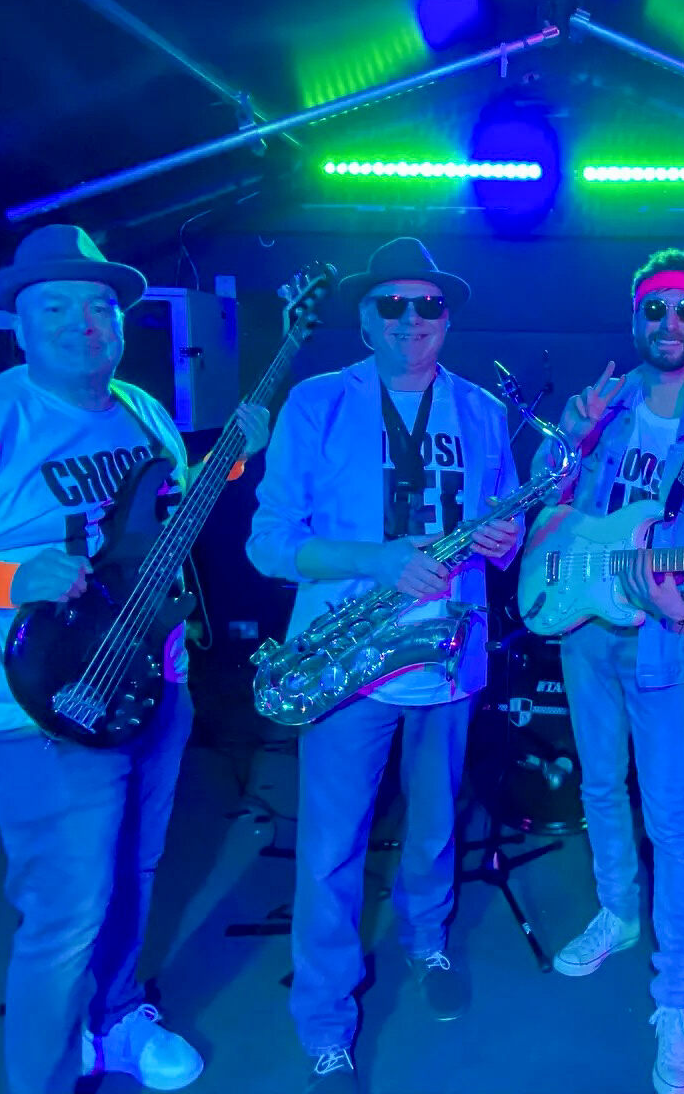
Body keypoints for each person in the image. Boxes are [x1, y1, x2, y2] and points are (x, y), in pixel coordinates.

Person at [0, 224, 269, 1094]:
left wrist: (229, 462)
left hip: (150, 683)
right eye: (56, 307)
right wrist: (2, 578)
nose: (83, 323)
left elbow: (161, 517)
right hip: (32, 707)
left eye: (99, 305)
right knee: (65, 916)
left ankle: (115, 1018)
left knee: (134, 870)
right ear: (18, 323)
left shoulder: (141, 411)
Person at [245, 237, 522, 1093]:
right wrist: (376, 560)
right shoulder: (317, 403)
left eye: (427, 305)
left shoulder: (481, 411)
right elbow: (269, 544)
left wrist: (505, 539)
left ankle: (427, 940)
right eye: (390, 305)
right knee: (331, 850)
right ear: (364, 320)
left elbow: (504, 532)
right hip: (346, 659)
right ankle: (326, 1022)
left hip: (447, 657)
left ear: (448, 318)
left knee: (435, 826)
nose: (410, 319)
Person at [536, 249, 684, 1094]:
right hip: (585, 634)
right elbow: (543, 506)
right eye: (655, 308)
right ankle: (618, 912)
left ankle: (673, 995)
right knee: (599, 786)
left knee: (671, 818)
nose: (670, 323)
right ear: (636, 318)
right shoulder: (599, 409)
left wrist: (681, 603)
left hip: (665, 648)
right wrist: (570, 437)